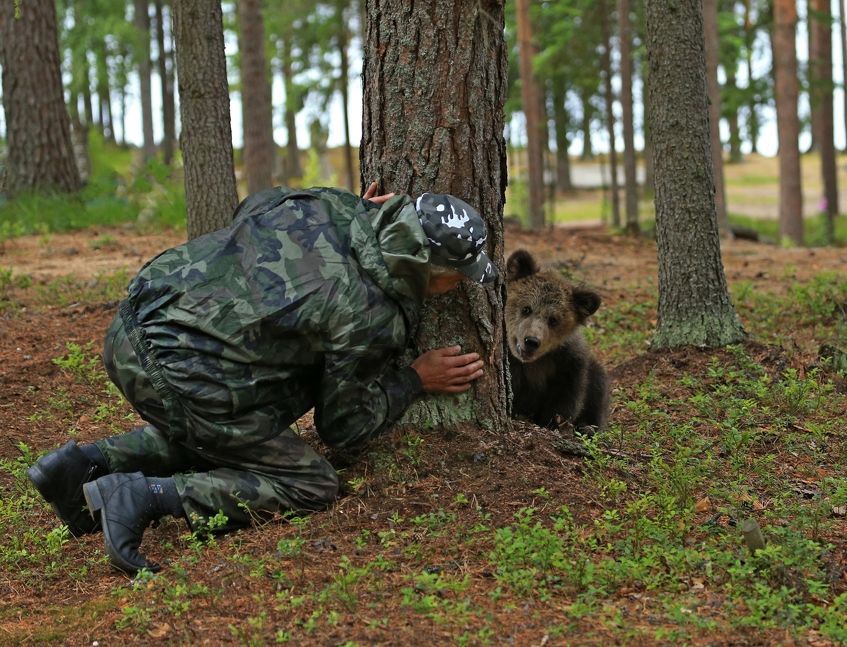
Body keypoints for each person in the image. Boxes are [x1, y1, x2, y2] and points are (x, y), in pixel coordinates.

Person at [27, 182, 497, 575]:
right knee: (312, 483)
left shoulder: (330, 201)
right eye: (457, 277)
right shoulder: (372, 314)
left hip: (139, 316)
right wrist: (414, 380)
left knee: (256, 420)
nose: (456, 286)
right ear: (429, 271)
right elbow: (343, 427)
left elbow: (254, 206)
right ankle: (141, 495)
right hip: (179, 371)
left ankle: (79, 466)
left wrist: (357, 214)